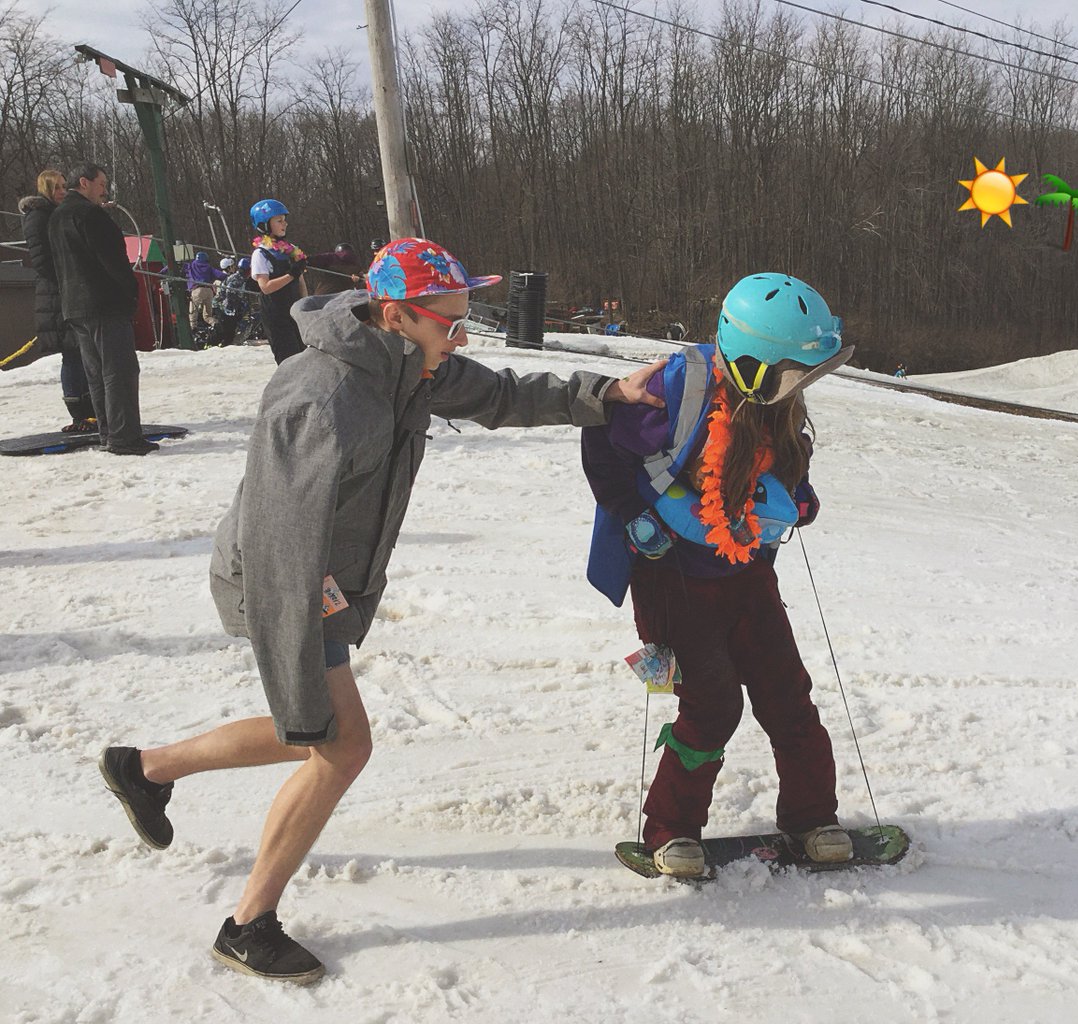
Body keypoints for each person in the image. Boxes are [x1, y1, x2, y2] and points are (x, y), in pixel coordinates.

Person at [98, 237, 665, 984]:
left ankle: (144, 769)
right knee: (338, 745)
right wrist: (300, 659)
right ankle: (247, 926)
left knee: (315, 733)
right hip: (283, 584)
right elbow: (277, 543)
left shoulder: (407, 367)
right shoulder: (320, 398)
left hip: (323, 578)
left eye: (464, 322)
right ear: (395, 316)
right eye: (449, 325)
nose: (461, 339)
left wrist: (607, 393)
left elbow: (500, 395)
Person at [580, 273, 856, 878]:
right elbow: (602, 439)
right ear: (752, 363)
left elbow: (782, 465)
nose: (799, 387)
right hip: (673, 576)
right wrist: (632, 515)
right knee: (712, 704)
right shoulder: (679, 391)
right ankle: (671, 830)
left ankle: (812, 819)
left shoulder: (779, 403)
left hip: (747, 572)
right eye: (792, 373)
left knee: (788, 695)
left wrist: (798, 497)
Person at [48, 162, 155, 456]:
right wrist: (130, 294)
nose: (104, 191)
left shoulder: (56, 217)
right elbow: (113, 260)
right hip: (105, 303)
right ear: (84, 182)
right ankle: (125, 437)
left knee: (96, 374)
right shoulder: (91, 215)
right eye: (101, 184)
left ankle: (108, 432)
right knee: (119, 371)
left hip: (74, 305)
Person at [18, 169, 97, 431]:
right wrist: (69, 277)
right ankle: (80, 413)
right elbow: (42, 260)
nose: (63, 191)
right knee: (72, 353)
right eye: (58, 187)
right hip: (57, 293)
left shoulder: (59, 214)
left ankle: (92, 411)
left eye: (64, 186)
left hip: (69, 288)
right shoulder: (39, 217)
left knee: (82, 351)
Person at [249, 199, 307, 363]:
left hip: (294, 310)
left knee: (305, 357)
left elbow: (300, 281)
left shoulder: (291, 249)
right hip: (276, 314)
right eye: (279, 221)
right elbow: (265, 287)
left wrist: (306, 303)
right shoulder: (261, 254)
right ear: (265, 225)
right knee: (289, 359)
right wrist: (291, 275)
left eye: (284, 220)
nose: (285, 224)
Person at [208, 257, 255, 347]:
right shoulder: (237, 278)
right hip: (224, 308)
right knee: (225, 330)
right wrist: (235, 308)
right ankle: (212, 344)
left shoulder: (243, 278)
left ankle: (227, 345)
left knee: (230, 332)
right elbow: (230, 293)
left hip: (230, 308)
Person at [185, 251, 225, 333]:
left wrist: (161, 273)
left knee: (193, 312)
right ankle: (215, 323)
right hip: (209, 291)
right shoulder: (209, 267)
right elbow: (221, 275)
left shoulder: (191, 265)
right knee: (207, 316)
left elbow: (173, 267)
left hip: (197, 290)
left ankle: (193, 329)